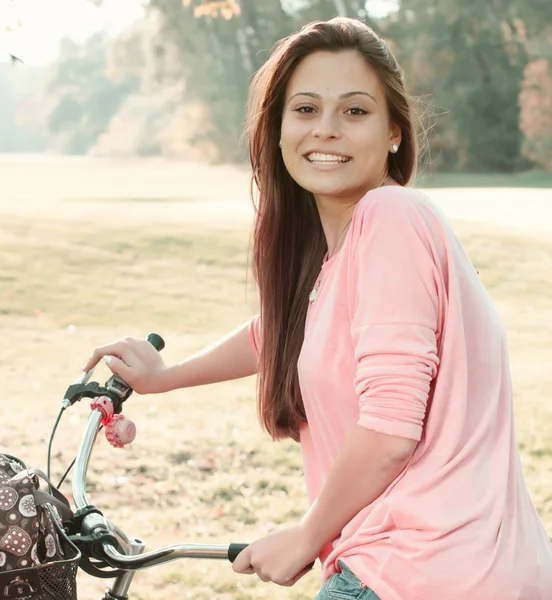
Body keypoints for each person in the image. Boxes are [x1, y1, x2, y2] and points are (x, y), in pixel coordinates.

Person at [82, 17, 552, 600]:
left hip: (416, 572)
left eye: (354, 112)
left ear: (394, 134)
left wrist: (307, 535)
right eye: (305, 109)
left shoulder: (391, 218)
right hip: (459, 569)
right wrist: (166, 378)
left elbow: (390, 430)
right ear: (277, 129)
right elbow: (281, 332)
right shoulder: (341, 260)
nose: (326, 130)